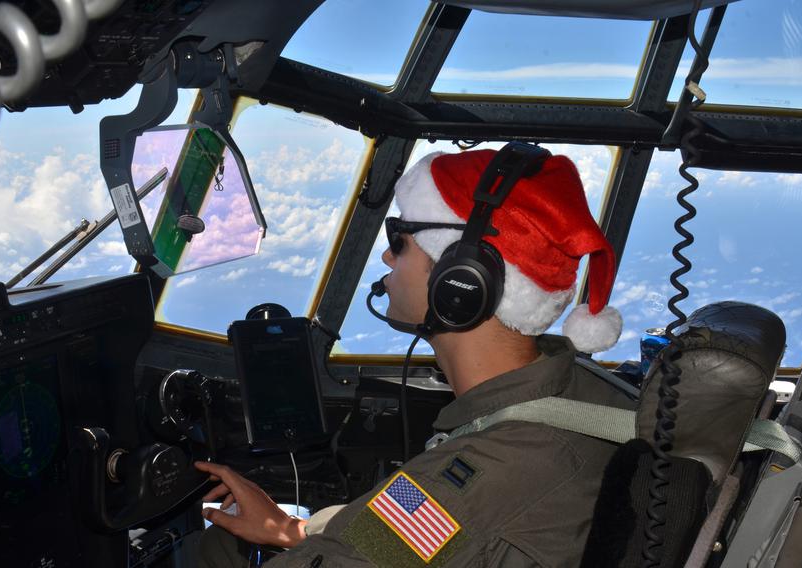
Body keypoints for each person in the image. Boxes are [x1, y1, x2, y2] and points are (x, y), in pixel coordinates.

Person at [196, 147, 633, 567]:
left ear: (462, 280)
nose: (387, 255)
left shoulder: (472, 475)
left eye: (400, 241)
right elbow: (405, 529)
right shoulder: (590, 393)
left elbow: (433, 517)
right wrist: (296, 530)